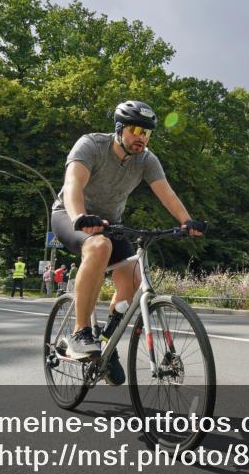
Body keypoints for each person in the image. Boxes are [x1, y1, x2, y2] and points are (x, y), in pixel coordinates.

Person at [50, 100, 205, 385]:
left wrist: (187, 221)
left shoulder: (146, 159)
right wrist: (80, 217)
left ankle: (107, 344)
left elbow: (166, 193)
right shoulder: (91, 145)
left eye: (147, 132)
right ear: (120, 129)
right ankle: (81, 332)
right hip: (69, 215)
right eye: (136, 130)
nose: (142, 137)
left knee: (134, 277)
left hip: (112, 225)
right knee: (99, 246)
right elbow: (73, 185)